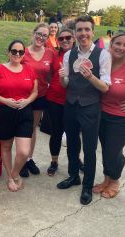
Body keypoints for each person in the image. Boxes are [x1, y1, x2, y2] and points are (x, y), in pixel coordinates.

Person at [57, 15, 111, 205]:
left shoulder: (103, 55)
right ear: (75, 33)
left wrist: (90, 77)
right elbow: (65, 85)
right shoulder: (68, 55)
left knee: (89, 148)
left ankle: (87, 185)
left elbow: (105, 87)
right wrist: (62, 77)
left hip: (90, 107)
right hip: (71, 105)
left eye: (86, 29)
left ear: (92, 32)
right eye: (79, 30)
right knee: (72, 143)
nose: (83, 33)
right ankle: (74, 176)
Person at [0, 40, 38, 192]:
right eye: (14, 51)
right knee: (6, 146)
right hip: (4, 113)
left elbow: (35, 91)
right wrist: (5, 101)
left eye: (20, 52)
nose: (17, 54)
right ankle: (10, 176)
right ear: (8, 52)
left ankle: (14, 174)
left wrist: (27, 100)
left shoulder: (29, 69)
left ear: (23, 54)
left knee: (23, 151)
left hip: (24, 112)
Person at [93, 32, 125, 199]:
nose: (121, 48)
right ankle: (106, 179)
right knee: (106, 149)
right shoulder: (104, 61)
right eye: (118, 44)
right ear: (111, 44)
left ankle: (115, 181)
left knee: (113, 152)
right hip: (101, 113)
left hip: (121, 117)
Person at [46, 28, 83, 176]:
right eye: (61, 38)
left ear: (73, 38)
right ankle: (54, 161)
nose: (65, 40)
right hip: (54, 99)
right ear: (58, 41)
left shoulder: (81, 56)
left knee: (73, 133)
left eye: (68, 37)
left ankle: (76, 159)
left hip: (73, 101)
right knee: (56, 132)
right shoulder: (55, 56)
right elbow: (49, 75)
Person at [20, 23, 55, 177]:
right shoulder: (23, 52)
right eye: (39, 34)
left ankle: (29, 158)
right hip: (23, 97)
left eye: (44, 35)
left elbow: (52, 75)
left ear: (48, 38)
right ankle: (20, 160)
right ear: (33, 33)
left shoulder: (50, 53)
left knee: (33, 128)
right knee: (22, 128)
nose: (41, 37)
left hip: (40, 95)